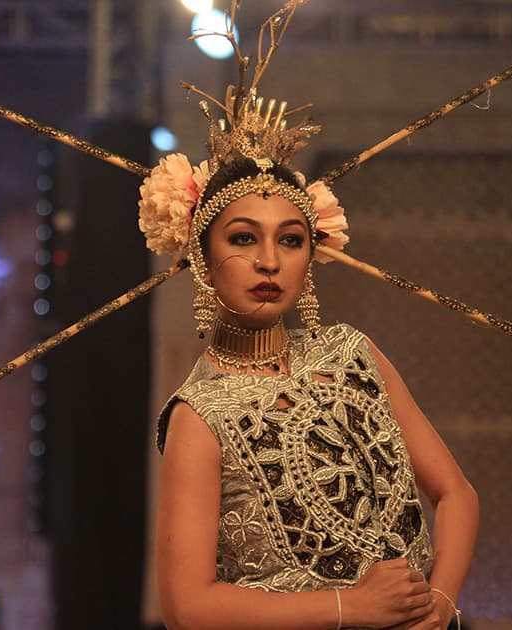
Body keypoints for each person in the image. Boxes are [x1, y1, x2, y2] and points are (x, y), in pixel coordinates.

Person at [145, 145, 479, 628]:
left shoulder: (353, 354)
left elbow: (456, 495)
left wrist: (441, 602)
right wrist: (350, 607)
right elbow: (186, 608)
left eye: (290, 240)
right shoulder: (200, 414)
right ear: (203, 257)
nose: (268, 261)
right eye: (243, 239)